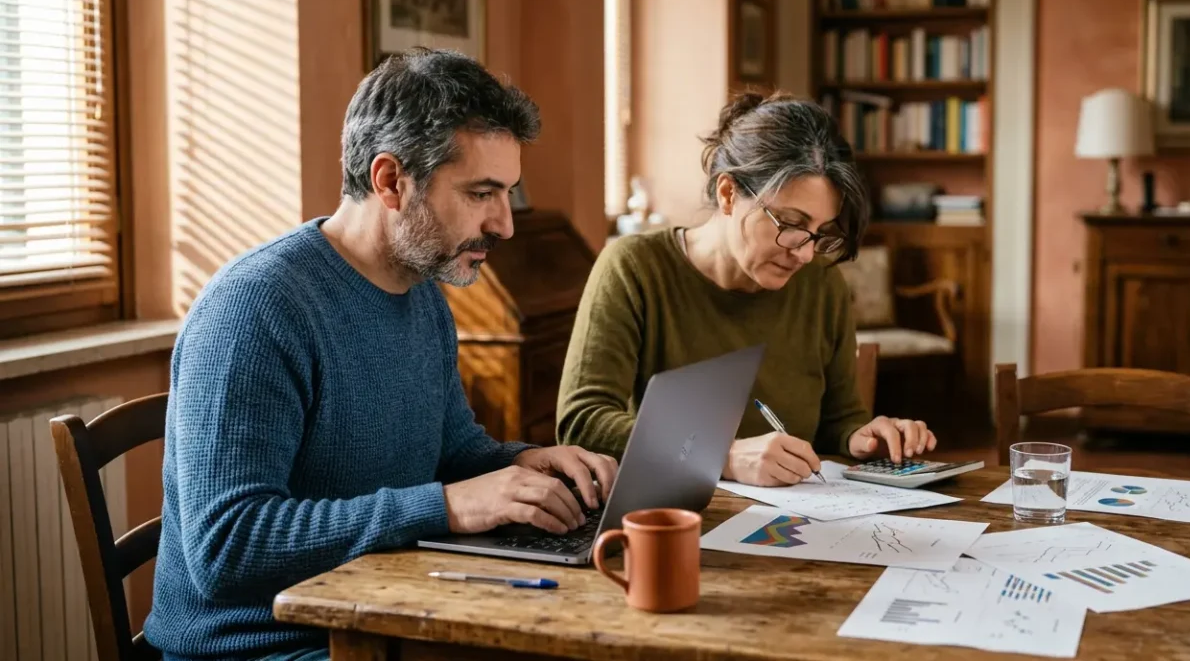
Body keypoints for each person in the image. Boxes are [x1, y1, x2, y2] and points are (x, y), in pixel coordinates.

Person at [144, 48, 617, 661]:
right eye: (481, 193)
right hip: (268, 646)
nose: (504, 224)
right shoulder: (255, 309)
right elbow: (228, 548)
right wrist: (445, 506)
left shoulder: (423, 292)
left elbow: (451, 453)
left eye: (508, 194)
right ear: (391, 180)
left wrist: (530, 464)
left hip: (387, 612)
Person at [556, 91, 935, 488]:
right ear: (727, 193)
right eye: (789, 223)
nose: (804, 254)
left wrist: (862, 438)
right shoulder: (634, 268)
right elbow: (583, 422)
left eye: (819, 233)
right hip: (677, 517)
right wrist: (719, 454)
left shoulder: (822, 285)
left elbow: (839, 421)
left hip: (797, 519)